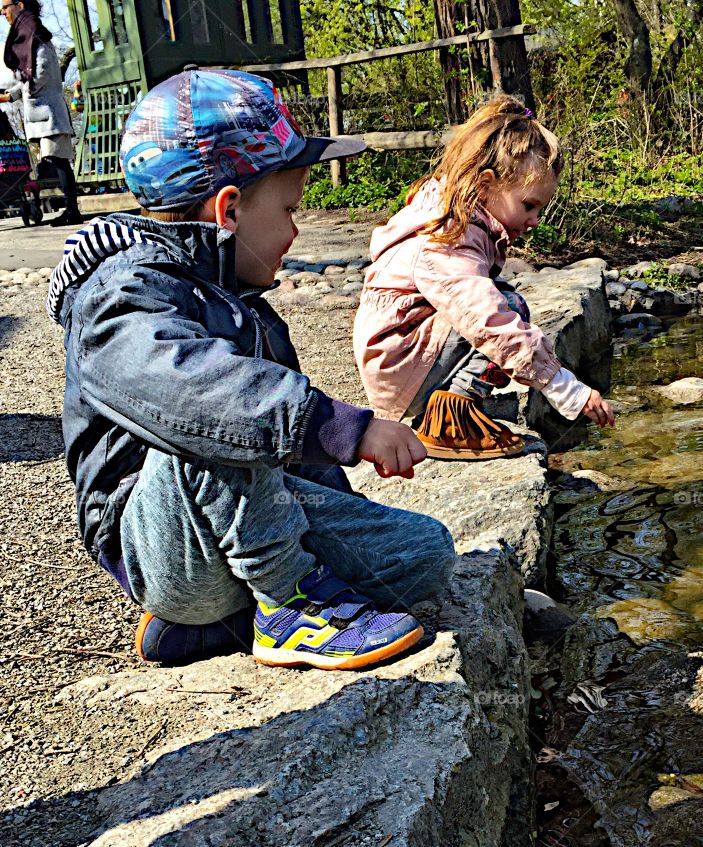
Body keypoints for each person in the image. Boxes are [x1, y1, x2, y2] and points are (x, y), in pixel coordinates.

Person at [47, 68, 454, 668]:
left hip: (242, 527)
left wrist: (340, 498)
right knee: (216, 411)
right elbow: (201, 393)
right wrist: (348, 428)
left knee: (426, 554)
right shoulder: (119, 294)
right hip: (167, 548)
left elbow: (291, 463)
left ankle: (223, 624)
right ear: (230, 209)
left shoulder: (241, 302)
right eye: (289, 208)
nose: (296, 229)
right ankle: (289, 606)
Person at [353, 94, 615, 461]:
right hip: (403, 369)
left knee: (503, 299)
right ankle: (449, 421)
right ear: (486, 184)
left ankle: (453, 405)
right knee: (506, 306)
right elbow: (487, 321)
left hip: (403, 360)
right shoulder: (445, 237)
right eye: (529, 205)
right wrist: (565, 388)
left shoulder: (454, 215)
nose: (535, 220)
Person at [0, 0, 82, 226]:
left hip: (50, 113)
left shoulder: (36, 36)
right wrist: (11, 95)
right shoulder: (29, 36)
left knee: (59, 161)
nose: (2, 11)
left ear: (20, 4)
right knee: (56, 160)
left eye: (5, 6)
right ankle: (70, 210)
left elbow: (40, 74)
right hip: (43, 113)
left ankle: (72, 211)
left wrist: (24, 89)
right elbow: (31, 78)